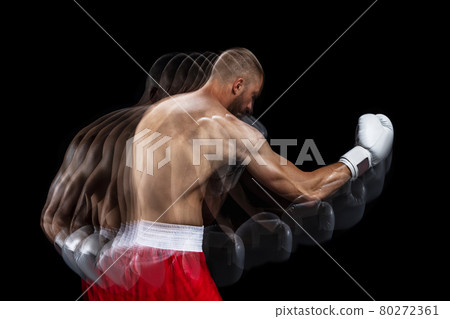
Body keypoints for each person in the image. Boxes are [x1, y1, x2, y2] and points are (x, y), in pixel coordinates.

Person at [42, 48, 393, 300]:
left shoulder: (158, 112)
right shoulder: (229, 128)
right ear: (237, 85)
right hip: (170, 266)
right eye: (252, 96)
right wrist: (362, 156)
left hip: (119, 263)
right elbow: (306, 189)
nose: (252, 107)